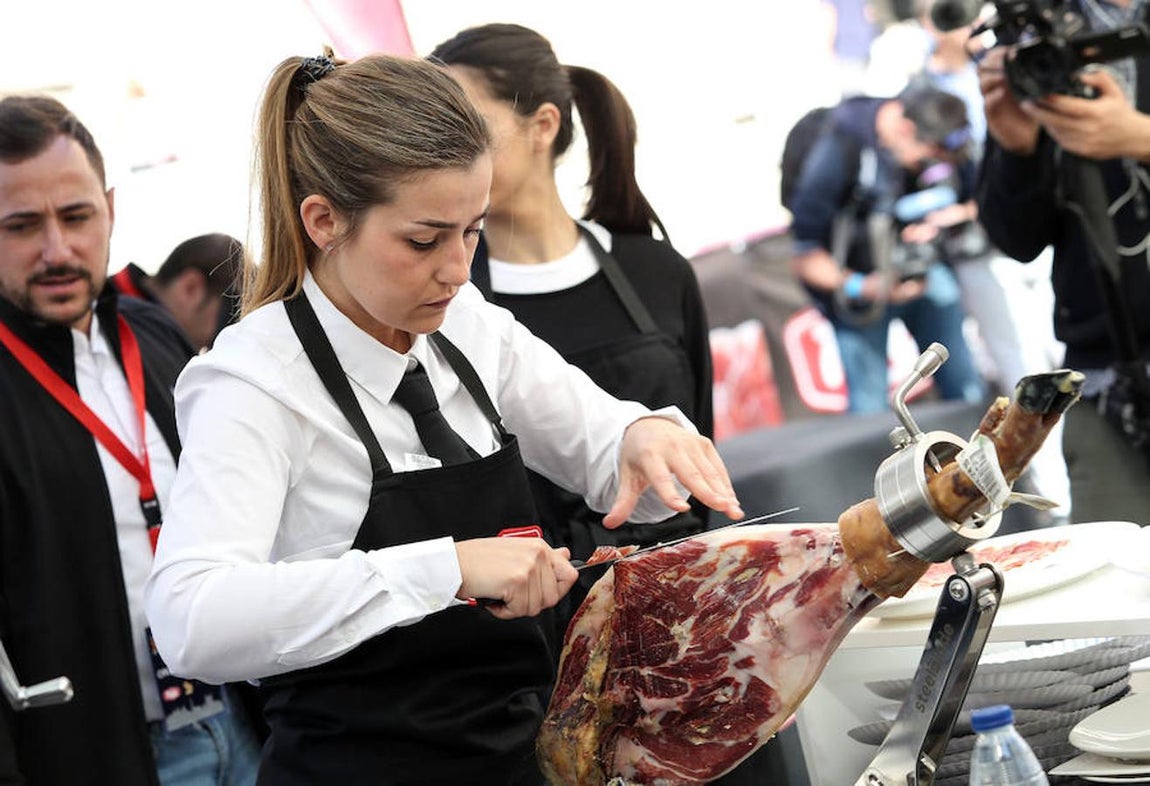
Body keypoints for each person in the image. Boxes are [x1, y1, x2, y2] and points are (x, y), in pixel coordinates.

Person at [143, 51, 744, 786]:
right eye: (424, 241)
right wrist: (445, 567)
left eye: (473, 230)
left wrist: (642, 434)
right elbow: (190, 619)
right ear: (324, 221)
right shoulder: (253, 383)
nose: (458, 268)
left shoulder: (466, 324)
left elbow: (602, 444)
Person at [0, 95, 261, 784]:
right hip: (100, 752)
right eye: (22, 225)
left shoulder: (154, 333)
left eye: (76, 216)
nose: (57, 249)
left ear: (110, 208)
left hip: (243, 721)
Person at [428, 22, 713, 614]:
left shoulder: (655, 272)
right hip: (537, 626)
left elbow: (700, 456)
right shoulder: (447, 306)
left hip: (688, 607)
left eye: (466, 124)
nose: (445, 148)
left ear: (544, 125)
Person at [975, 0, 1150, 525]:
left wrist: (1138, 137)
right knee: (1118, 590)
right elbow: (1018, 240)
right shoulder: (1037, 38)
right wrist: (1016, 149)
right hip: (1107, 380)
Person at [788, 82, 987, 414]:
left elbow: (976, 197)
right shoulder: (839, 148)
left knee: (966, 389)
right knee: (869, 412)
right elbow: (804, 257)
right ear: (906, 130)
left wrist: (951, 220)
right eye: (929, 158)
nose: (931, 167)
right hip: (861, 292)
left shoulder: (934, 134)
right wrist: (864, 286)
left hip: (923, 276)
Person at [110, 232, 244, 351]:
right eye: (227, 319)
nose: (212, 350)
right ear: (190, 288)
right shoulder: (106, 324)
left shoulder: (102, 305)